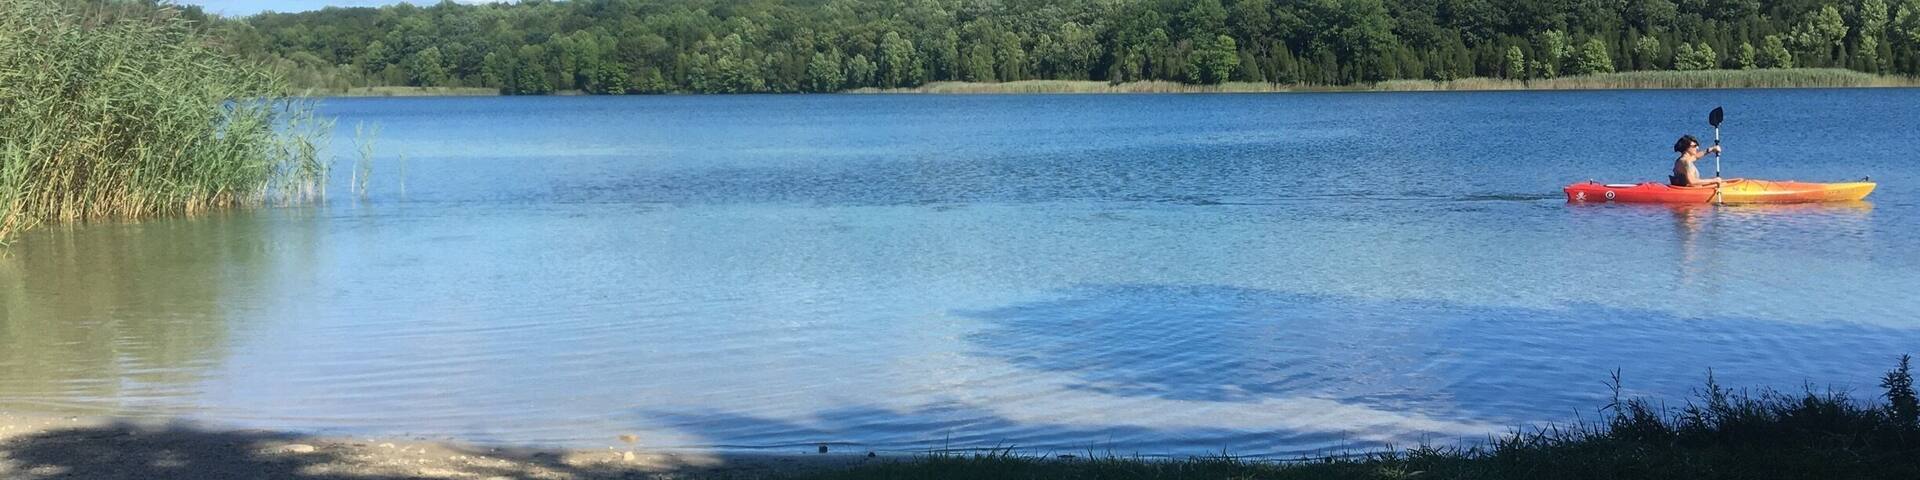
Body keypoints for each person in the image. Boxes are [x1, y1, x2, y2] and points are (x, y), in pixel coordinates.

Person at [1669, 135, 1736, 187]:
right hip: (1692, 190)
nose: (1697, 148)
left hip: (1692, 188)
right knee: (1722, 183)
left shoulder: (1682, 160)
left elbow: (1696, 157)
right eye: (1694, 146)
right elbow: (1692, 182)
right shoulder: (1686, 162)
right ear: (1686, 147)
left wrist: (1711, 149)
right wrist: (1714, 180)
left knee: (1727, 181)